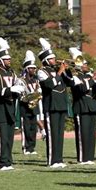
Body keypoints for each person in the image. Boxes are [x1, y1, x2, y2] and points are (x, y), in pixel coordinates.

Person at [0, 37, 24, 170]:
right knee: (2, 138)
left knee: (9, 137)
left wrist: (19, 90)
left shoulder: (12, 73)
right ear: (0, 61)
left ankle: (8, 161)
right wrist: (10, 89)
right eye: (7, 59)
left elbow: (15, 88)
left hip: (10, 108)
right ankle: (1, 162)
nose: (9, 61)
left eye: (9, 59)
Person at [68, 47, 96, 165]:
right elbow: (82, 89)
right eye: (84, 64)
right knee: (82, 134)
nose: (86, 65)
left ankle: (90, 157)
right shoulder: (75, 77)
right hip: (81, 107)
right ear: (78, 65)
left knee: (91, 134)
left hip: (91, 107)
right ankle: (82, 158)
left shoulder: (88, 76)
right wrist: (94, 77)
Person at [37, 38, 68, 168]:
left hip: (61, 105)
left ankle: (59, 159)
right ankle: (52, 160)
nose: (55, 61)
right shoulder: (42, 72)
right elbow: (49, 85)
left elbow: (70, 82)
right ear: (45, 60)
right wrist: (60, 71)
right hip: (51, 105)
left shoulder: (56, 71)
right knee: (52, 134)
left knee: (60, 134)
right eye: (52, 59)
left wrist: (66, 70)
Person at [19, 50, 41, 155]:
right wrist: (29, 97)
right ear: (27, 69)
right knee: (26, 128)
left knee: (33, 129)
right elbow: (21, 95)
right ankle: (26, 147)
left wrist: (37, 96)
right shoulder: (22, 80)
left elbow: (39, 92)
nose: (34, 70)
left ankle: (32, 147)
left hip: (34, 107)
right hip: (25, 107)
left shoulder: (36, 80)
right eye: (32, 68)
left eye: (34, 68)